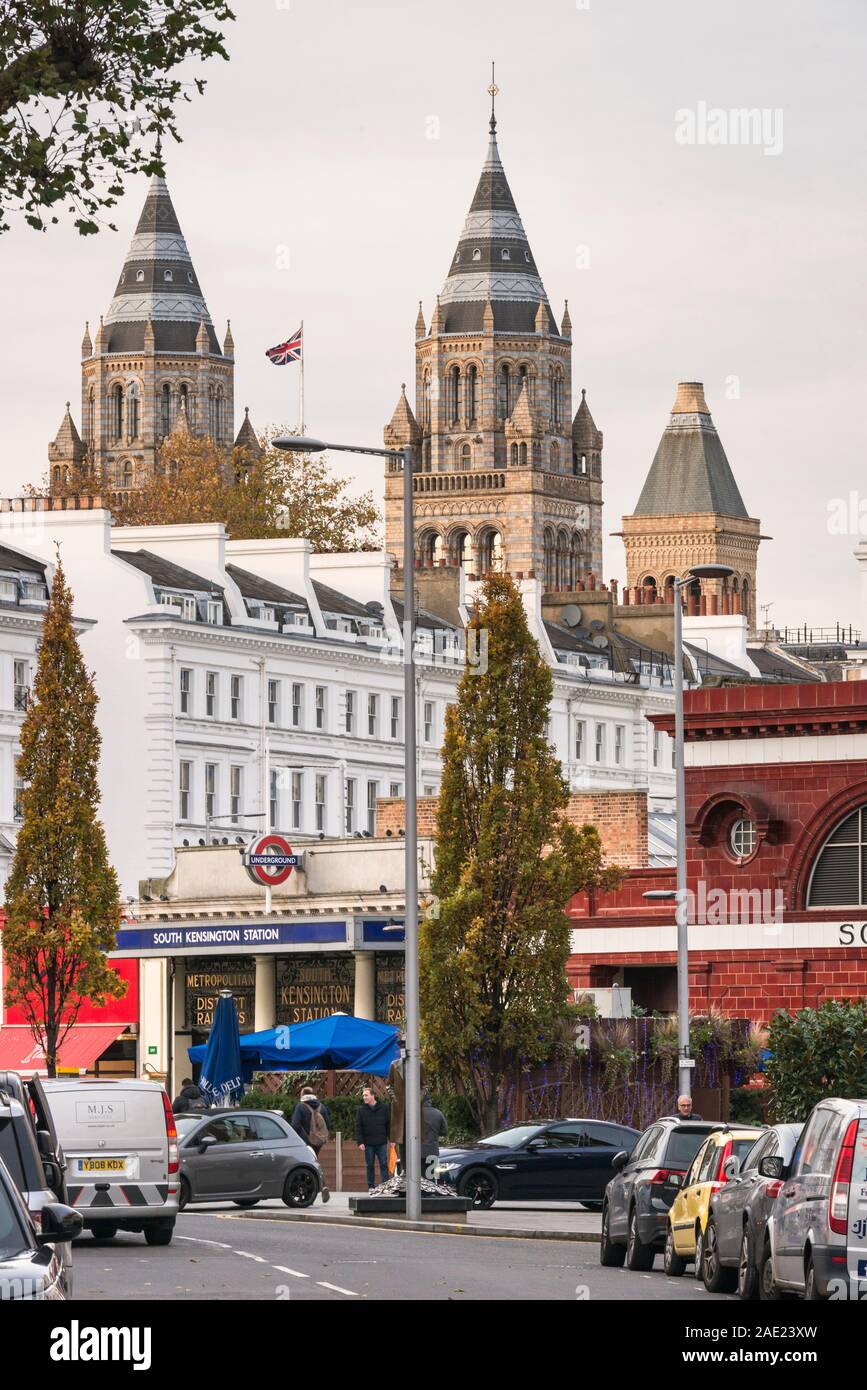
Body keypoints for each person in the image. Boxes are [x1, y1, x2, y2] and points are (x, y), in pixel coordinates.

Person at [290, 1085, 331, 1204]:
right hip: (318, 1142)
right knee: (314, 1163)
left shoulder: (300, 1107)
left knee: (304, 1167)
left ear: (302, 1095)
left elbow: (296, 1125)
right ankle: (318, 1189)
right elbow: (328, 1124)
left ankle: (315, 1190)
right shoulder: (322, 1107)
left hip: (304, 1142)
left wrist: (303, 1140)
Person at [355, 1086, 390, 1193]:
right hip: (368, 1143)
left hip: (381, 1142)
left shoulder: (384, 1108)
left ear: (373, 1095)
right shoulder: (361, 1110)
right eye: (363, 1095)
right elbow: (358, 1126)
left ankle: (386, 1185)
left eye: (366, 1095)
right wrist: (360, 1142)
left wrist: (391, 1139)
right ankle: (371, 1186)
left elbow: (388, 1123)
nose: (364, 1097)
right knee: (369, 1165)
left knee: (384, 1164)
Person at [421, 1092, 448, 1182]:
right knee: (431, 1178)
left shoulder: (415, 1114)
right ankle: (431, 1194)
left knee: (419, 1179)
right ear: (430, 1101)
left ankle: (420, 1195)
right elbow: (445, 1131)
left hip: (418, 1151)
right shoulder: (438, 1113)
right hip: (433, 1150)